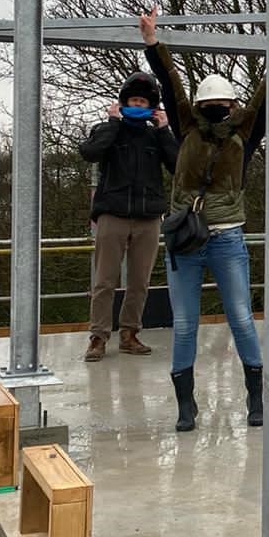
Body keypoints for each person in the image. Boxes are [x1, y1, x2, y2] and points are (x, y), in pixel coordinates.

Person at [140, 9, 268, 432]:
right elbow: (170, 81)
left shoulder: (244, 132)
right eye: (208, 104)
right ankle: (185, 407)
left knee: (241, 317)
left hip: (227, 237)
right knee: (183, 324)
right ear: (198, 106)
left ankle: (256, 399)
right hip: (185, 239)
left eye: (223, 104)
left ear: (233, 105)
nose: (216, 108)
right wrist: (153, 42)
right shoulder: (186, 126)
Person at [77, 72, 180, 362]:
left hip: (148, 218)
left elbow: (178, 165)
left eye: (143, 101)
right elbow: (90, 153)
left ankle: (129, 334)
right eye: (133, 100)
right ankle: (98, 337)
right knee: (104, 280)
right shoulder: (108, 130)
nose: (138, 104)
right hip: (113, 214)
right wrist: (113, 122)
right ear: (123, 102)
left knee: (139, 281)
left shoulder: (155, 135)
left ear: (152, 106)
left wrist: (163, 130)